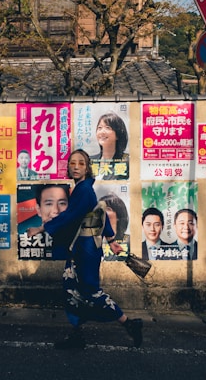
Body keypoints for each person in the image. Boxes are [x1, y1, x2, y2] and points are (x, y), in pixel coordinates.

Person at [27, 149, 142, 349]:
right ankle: (77, 335)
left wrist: (41, 227)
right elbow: (98, 213)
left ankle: (128, 323)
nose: (76, 167)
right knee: (71, 288)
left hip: (86, 249)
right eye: (73, 163)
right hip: (81, 247)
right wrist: (111, 239)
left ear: (87, 167)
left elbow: (71, 216)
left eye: (81, 163)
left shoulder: (84, 190)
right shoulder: (83, 189)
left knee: (90, 290)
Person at [90, 112, 129, 180]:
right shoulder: (89, 161)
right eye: (99, 128)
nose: (102, 132)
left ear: (118, 135)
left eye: (107, 128)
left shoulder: (126, 161)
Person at [99, 193, 130, 261]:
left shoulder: (128, 240)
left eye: (107, 209)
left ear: (119, 214)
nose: (102, 212)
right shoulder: (95, 239)